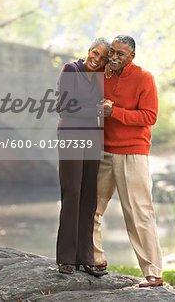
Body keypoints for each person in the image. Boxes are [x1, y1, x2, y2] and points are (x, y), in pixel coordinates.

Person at [93, 34, 163, 287]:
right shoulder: (103, 74)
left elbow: (149, 116)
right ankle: (95, 259)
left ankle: (153, 273)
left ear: (131, 56)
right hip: (105, 153)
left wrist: (115, 112)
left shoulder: (144, 78)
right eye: (112, 51)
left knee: (138, 214)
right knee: (91, 208)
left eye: (120, 54)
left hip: (132, 153)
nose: (113, 57)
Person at [56, 38, 110, 277]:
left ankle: (86, 258)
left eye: (101, 57)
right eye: (94, 52)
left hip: (93, 139)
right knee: (73, 193)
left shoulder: (100, 78)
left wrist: (106, 105)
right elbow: (63, 106)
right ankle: (66, 258)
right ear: (89, 50)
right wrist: (97, 109)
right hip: (70, 137)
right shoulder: (71, 70)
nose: (95, 58)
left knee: (89, 196)